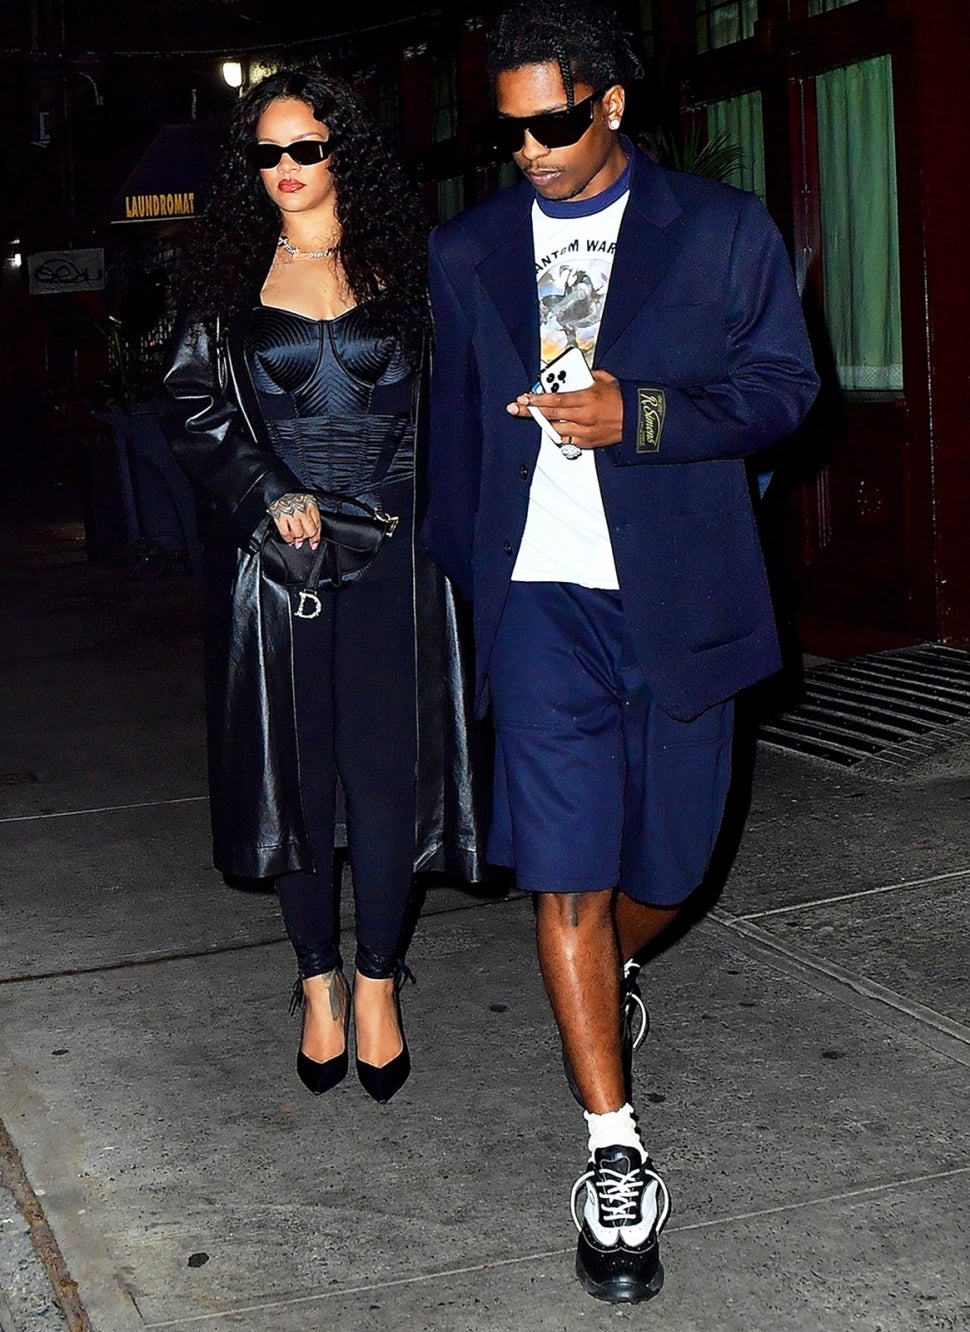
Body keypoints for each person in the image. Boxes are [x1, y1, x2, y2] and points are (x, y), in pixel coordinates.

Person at [422, 0, 819, 1305]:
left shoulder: (719, 230)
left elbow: (781, 390)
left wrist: (634, 416)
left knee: (673, 863)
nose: (528, 151)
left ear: (608, 104)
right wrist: (462, 581)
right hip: (539, 601)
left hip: (679, 597)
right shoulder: (469, 248)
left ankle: (612, 966)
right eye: (510, 130)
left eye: (551, 124)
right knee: (566, 875)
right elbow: (453, 433)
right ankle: (612, 1152)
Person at [161, 67, 483, 1105]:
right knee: (296, 779)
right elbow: (192, 409)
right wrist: (265, 491)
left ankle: (379, 978)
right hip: (281, 562)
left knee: (387, 777)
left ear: (346, 150)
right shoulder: (224, 281)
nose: (287, 168)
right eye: (267, 153)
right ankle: (315, 981)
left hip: (400, 556)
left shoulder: (416, 268)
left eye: (306, 146)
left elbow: (466, 398)